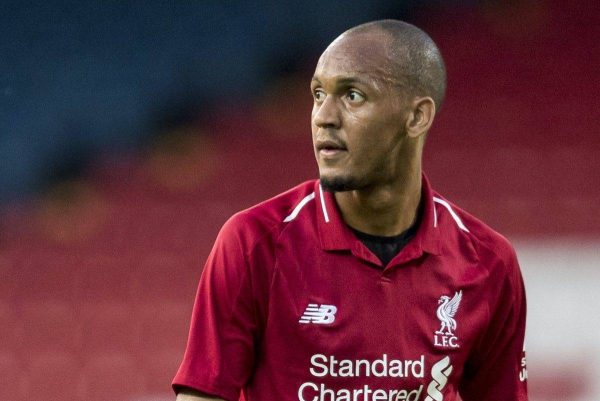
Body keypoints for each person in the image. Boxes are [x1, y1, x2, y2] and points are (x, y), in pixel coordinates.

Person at [173, 19, 528, 401]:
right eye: (318, 94)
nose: (323, 117)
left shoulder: (488, 263)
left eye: (352, 95)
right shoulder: (254, 243)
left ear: (416, 116)